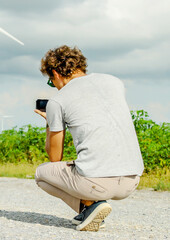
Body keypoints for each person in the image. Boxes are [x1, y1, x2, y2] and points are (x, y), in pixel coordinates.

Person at [34, 45, 144, 232]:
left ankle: (90, 206)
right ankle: (92, 210)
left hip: (95, 184)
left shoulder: (57, 101)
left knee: (42, 174)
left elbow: (55, 158)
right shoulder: (114, 82)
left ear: (55, 73)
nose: (55, 86)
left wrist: (50, 122)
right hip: (132, 179)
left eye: (51, 81)